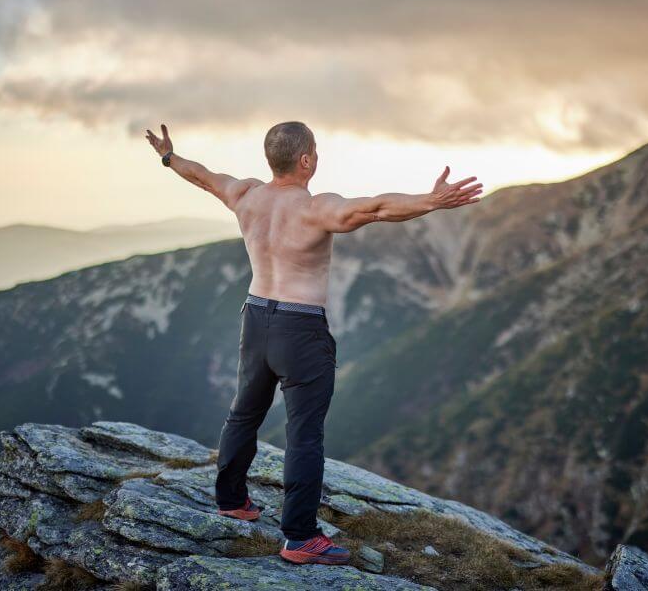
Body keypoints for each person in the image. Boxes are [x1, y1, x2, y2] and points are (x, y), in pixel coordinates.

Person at [145, 121, 483, 565]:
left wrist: (169, 157)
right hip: (300, 328)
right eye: (316, 151)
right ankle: (301, 537)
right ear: (306, 160)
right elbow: (378, 208)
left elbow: (203, 176)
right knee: (304, 434)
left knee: (244, 412)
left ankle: (231, 500)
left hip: (256, 317)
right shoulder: (315, 208)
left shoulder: (245, 194)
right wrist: (432, 201)